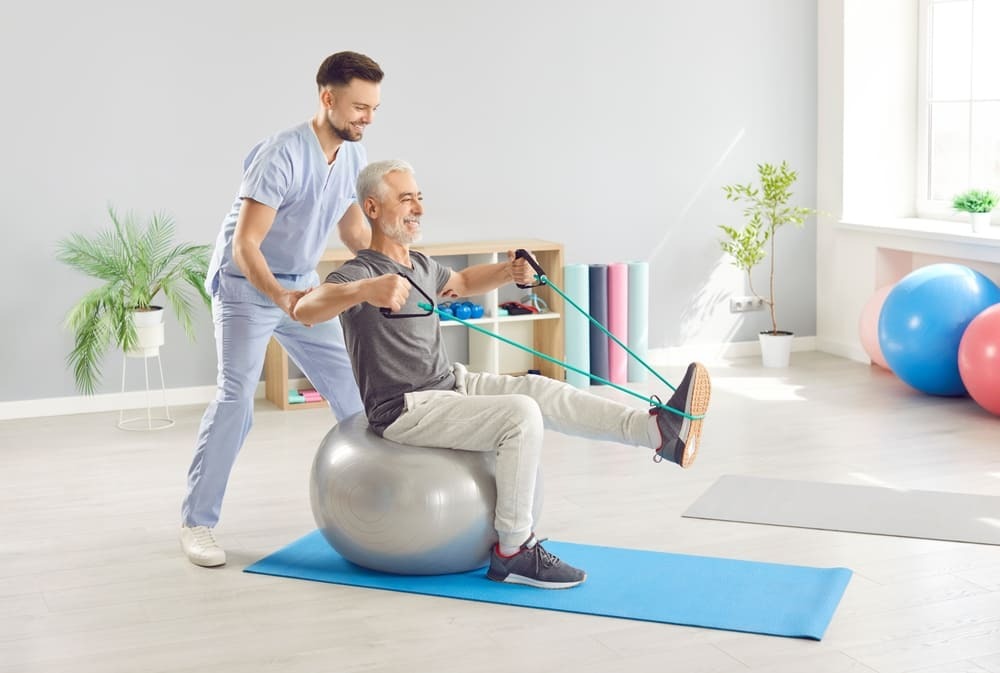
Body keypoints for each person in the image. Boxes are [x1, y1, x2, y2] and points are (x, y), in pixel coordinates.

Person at [294, 159, 713, 588]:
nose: (418, 207)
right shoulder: (360, 272)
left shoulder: (418, 264)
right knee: (519, 415)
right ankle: (514, 549)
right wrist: (365, 290)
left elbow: (460, 280)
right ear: (373, 208)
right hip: (405, 409)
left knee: (538, 388)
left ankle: (657, 432)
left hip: (449, 383)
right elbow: (305, 308)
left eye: (420, 197)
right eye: (406, 199)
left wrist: (508, 272)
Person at [180, 52, 384, 568]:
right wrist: (281, 299)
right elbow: (246, 246)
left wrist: (391, 266)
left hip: (301, 285)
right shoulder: (283, 154)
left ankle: (375, 502)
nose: (367, 117)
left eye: (374, 108)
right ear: (327, 98)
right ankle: (198, 523)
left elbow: (353, 230)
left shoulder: (353, 158)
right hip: (247, 286)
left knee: (355, 394)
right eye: (359, 106)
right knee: (235, 402)